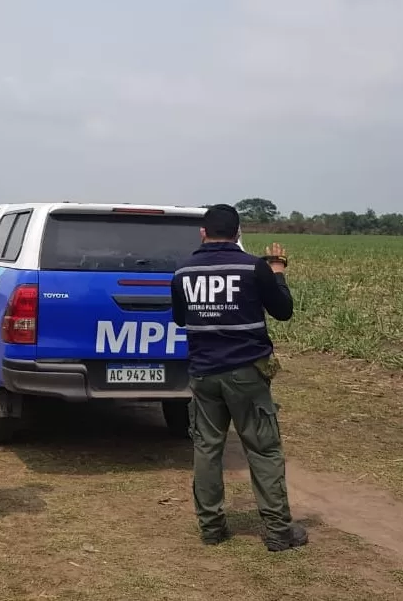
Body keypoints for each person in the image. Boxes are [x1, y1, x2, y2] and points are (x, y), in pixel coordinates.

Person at [170, 204, 307, 552]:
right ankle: (278, 533)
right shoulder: (254, 267)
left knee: (207, 448)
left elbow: (180, 320)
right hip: (247, 373)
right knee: (263, 450)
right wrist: (277, 272)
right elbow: (284, 311)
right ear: (237, 233)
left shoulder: (183, 271)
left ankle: (212, 529)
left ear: (203, 233)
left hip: (203, 373)